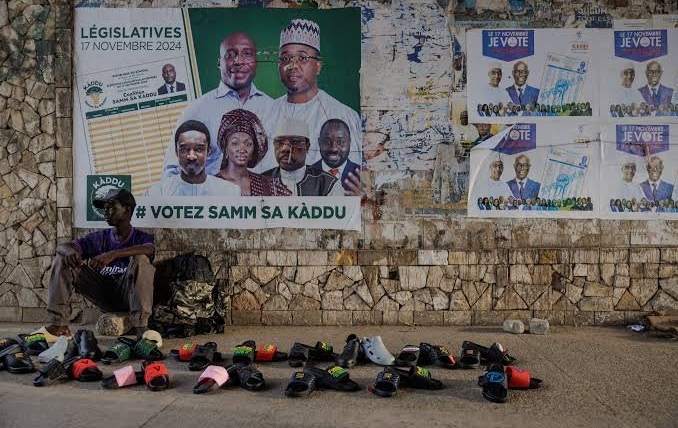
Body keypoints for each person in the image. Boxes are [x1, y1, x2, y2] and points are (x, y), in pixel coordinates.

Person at [45, 188, 155, 339]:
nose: (106, 211)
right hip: (103, 294)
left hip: (128, 296)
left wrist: (113, 254)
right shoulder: (98, 238)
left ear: (127, 210)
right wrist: (71, 252)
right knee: (62, 258)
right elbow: (61, 247)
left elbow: (149, 249)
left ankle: (141, 327)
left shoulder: (141, 238)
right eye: (104, 208)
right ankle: (59, 325)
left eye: (111, 207)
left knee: (141, 259)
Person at [163, 32, 275, 177]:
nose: (239, 61)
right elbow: (171, 170)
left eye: (247, 54)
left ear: (256, 61)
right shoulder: (198, 110)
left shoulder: (273, 108)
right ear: (219, 62)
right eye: (230, 55)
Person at [272, 19, 362, 170]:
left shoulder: (344, 115)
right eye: (285, 58)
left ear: (318, 66)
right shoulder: (266, 112)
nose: (292, 66)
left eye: (302, 58)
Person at [146, 120, 241, 196]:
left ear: (208, 151)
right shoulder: (157, 193)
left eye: (199, 149)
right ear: (176, 152)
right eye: (184, 149)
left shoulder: (229, 193)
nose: (191, 156)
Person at [215, 109, 291, 196]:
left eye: (248, 144)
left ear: (254, 149)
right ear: (226, 148)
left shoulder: (269, 185)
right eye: (235, 143)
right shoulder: (211, 184)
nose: (242, 149)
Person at [262, 117, 344, 196]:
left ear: (307, 146)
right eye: (280, 142)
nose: (285, 148)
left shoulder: (328, 184)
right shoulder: (260, 181)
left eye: (294, 142)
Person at [311, 119, 361, 194]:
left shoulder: (362, 175)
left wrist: (364, 200)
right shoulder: (306, 174)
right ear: (319, 142)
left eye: (340, 142)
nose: (333, 148)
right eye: (327, 141)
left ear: (349, 142)